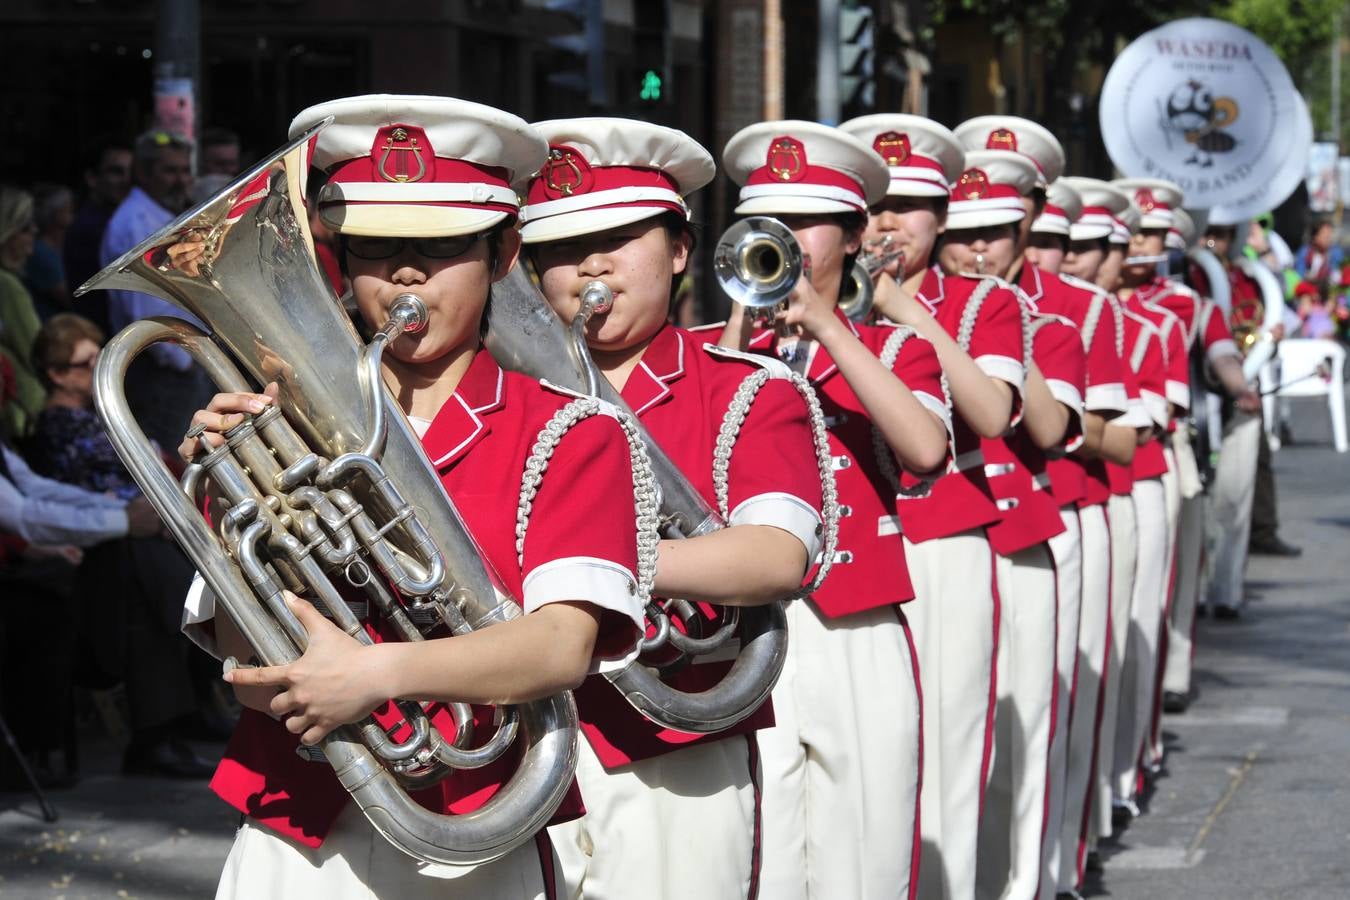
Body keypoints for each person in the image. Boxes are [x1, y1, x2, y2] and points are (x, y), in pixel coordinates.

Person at [181, 94, 649, 898]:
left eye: (441, 246)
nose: (405, 271)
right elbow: (239, 640)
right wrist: (228, 501)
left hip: (476, 833)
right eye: (376, 246)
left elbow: (561, 648)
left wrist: (374, 674)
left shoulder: (573, 431)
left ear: (503, 253)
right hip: (294, 821)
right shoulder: (278, 423)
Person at [520, 116, 826, 900]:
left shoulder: (743, 389)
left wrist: (588, 571)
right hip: (516, 741)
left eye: (619, 238)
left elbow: (777, 556)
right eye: (560, 247)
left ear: (682, 250)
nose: (591, 264)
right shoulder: (502, 394)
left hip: (673, 754)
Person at [719, 119, 950, 900]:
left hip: (857, 627)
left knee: (867, 858)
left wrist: (826, 326)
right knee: (769, 864)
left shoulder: (896, 351)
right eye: (768, 223)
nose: (786, 239)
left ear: (853, 237)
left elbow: (926, 449)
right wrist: (739, 328)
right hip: (748, 632)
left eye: (808, 222)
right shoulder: (717, 350)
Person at [840, 113, 1015, 900]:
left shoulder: (979, 301)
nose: (888, 223)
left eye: (907, 206)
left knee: (946, 747)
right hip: (844, 555)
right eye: (874, 206)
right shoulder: (810, 297)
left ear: (941, 219)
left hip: (940, 535)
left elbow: (992, 414)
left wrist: (905, 311)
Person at [947, 122, 1079, 900]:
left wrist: (1003, 330)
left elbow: (1050, 428)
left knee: (1024, 722)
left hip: (1016, 524)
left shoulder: (1051, 315)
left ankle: (1029, 882)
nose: (977, 249)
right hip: (931, 535)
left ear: (1025, 225)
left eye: (994, 232)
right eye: (961, 233)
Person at [98, 129, 211, 452]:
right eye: (170, 170)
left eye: (185, 170)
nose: (181, 180)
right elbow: (145, 307)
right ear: (144, 173)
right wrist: (184, 362)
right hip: (166, 370)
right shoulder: (136, 221)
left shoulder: (156, 214)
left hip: (182, 362)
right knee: (178, 456)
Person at [64, 135, 133, 332]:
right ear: (92, 178)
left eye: (131, 172)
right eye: (116, 172)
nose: (126, 180)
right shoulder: (90, 227)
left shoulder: (121, 220)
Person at [0, 186, 46, 441]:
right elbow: (38, 351)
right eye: (26, 227)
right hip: (23, 409)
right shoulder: (7, 285)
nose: (35, 232)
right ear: (7, 232)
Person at [23, 184, 75, 319]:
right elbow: (70, 298)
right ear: (53, 212)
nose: (72, 210)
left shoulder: (66, 245)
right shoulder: (39, 252)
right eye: (66, 207)